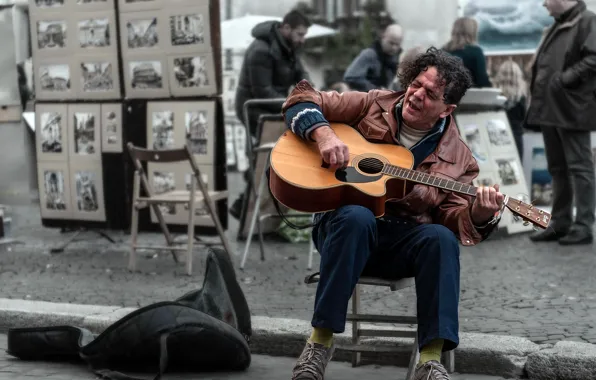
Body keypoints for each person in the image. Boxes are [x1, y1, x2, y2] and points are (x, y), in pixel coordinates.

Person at [282, 47, 504, 380]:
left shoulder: (460, 158)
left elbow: (452, 218)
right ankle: (319, 344)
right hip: (344, 231)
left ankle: (430, 360)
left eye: (431, 95)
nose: (416, 95)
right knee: (356, 215)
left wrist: (478, 214)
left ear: (447, 109)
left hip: (401, 242)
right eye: (416, 84)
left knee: (441, 239)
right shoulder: (372, 103)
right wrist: (324, 134)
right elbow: (300, 98)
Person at [525, 0, 596, 245]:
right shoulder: (560, 24)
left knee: (580, 167)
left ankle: (584, 225)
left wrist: (565, 79)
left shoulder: (588, 20)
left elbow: (594, 58)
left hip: (571, 107)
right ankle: (560, 222)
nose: (544, 4)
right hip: (551, 108)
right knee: (557, 167)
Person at [231, 9, 312, 220]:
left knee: (271, 154)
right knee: (265, 155)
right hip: (253, 107)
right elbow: (262, 91)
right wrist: (292, 102)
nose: (302, 40)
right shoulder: (261, 50)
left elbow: (300, 74)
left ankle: (245, 204)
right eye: (300, 34)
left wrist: (310, 91)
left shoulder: (289, 47)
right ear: (286, 28)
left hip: (272, 104)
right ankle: (247, 203)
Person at [343, 24, 404, 92]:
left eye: (397, 44)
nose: (394, 48)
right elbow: (351, 77)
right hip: (365, 98)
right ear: (383, 37)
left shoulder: (398, 59)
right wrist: (376, 89)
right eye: (391, 43)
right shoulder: (369, 54)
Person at [492, 59, 528, 159]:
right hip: (516, 135)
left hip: (498, 136)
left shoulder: (495, 95)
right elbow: (524, 117)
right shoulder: (521, 97)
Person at [443, 17, 492, 88]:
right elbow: (482, 81)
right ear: (473, 32)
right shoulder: (475, 52)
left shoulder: (442, 51)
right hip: (469, 96)